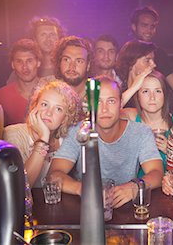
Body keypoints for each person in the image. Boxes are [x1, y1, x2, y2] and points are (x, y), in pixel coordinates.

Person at [48, 75, 163, 208]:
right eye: (98, 102)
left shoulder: (141, 132)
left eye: (111, 101)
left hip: (126, 208)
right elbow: (54, 175)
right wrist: (83, 190)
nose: (104, 109)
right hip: (85, 208)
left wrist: (134, 186)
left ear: (121, 103)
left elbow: (157, 173)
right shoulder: (78, 131)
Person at [3, 80, 81, 187]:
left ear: (64, 118)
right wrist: (43, 138)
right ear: (34, 107)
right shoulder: (13, 134)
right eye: (44, 104)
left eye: (58, 109)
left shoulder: (67, 139)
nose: (49, 113)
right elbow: (20, 187)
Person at [121, 71, 173, 176]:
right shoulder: (130, 116)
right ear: (137, 96)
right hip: (135, 188)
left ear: (165, 95)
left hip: (167, 188)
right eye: (145, 91)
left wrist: (172, 153)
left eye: (158, 91)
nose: (152, 97)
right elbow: (105, 111)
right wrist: (133, 87)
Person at [130, 6, 173, 93]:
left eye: (152, 26)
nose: (149, 30)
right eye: (144, 25)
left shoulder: (159, 53)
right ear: (134, 27)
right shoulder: (126, 51)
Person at [0, 39, 41, 126]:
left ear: (38, 62)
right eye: (19, 61)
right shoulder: (1, 95)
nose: (25, 67)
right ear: (13, 64)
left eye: (29, 61)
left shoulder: (51, 92)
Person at [7, 16, 65, 83]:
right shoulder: (23, 71)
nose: (48, 39)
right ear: (35, 39)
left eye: (52, 34)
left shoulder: (67, 67)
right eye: (43, 35)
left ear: (59, 38)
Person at [115, 40, 157, 107]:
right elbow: (113, 108)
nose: (154, 65)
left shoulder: (155, 90)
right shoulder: (117, 91)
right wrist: (134, 88)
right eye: (147, 60)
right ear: (131, 63)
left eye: (153, 60)